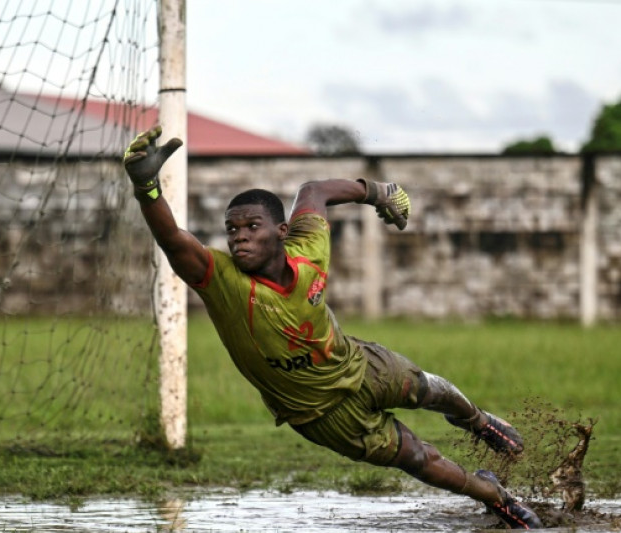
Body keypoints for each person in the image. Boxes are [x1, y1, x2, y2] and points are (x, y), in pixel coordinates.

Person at [123, 127, 543, 530]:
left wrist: (379, 192)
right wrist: (147, 187)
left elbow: (314, 191)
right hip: (322, 412)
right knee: (417, 458)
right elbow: (174, 239)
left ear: (281, 232)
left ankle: (478, 422)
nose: (240, 238)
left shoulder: (308, 248)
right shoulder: (223, 281)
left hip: (358, 362)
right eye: (232, 230)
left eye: (253, 227)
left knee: (427, 387)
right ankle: (500, 501)